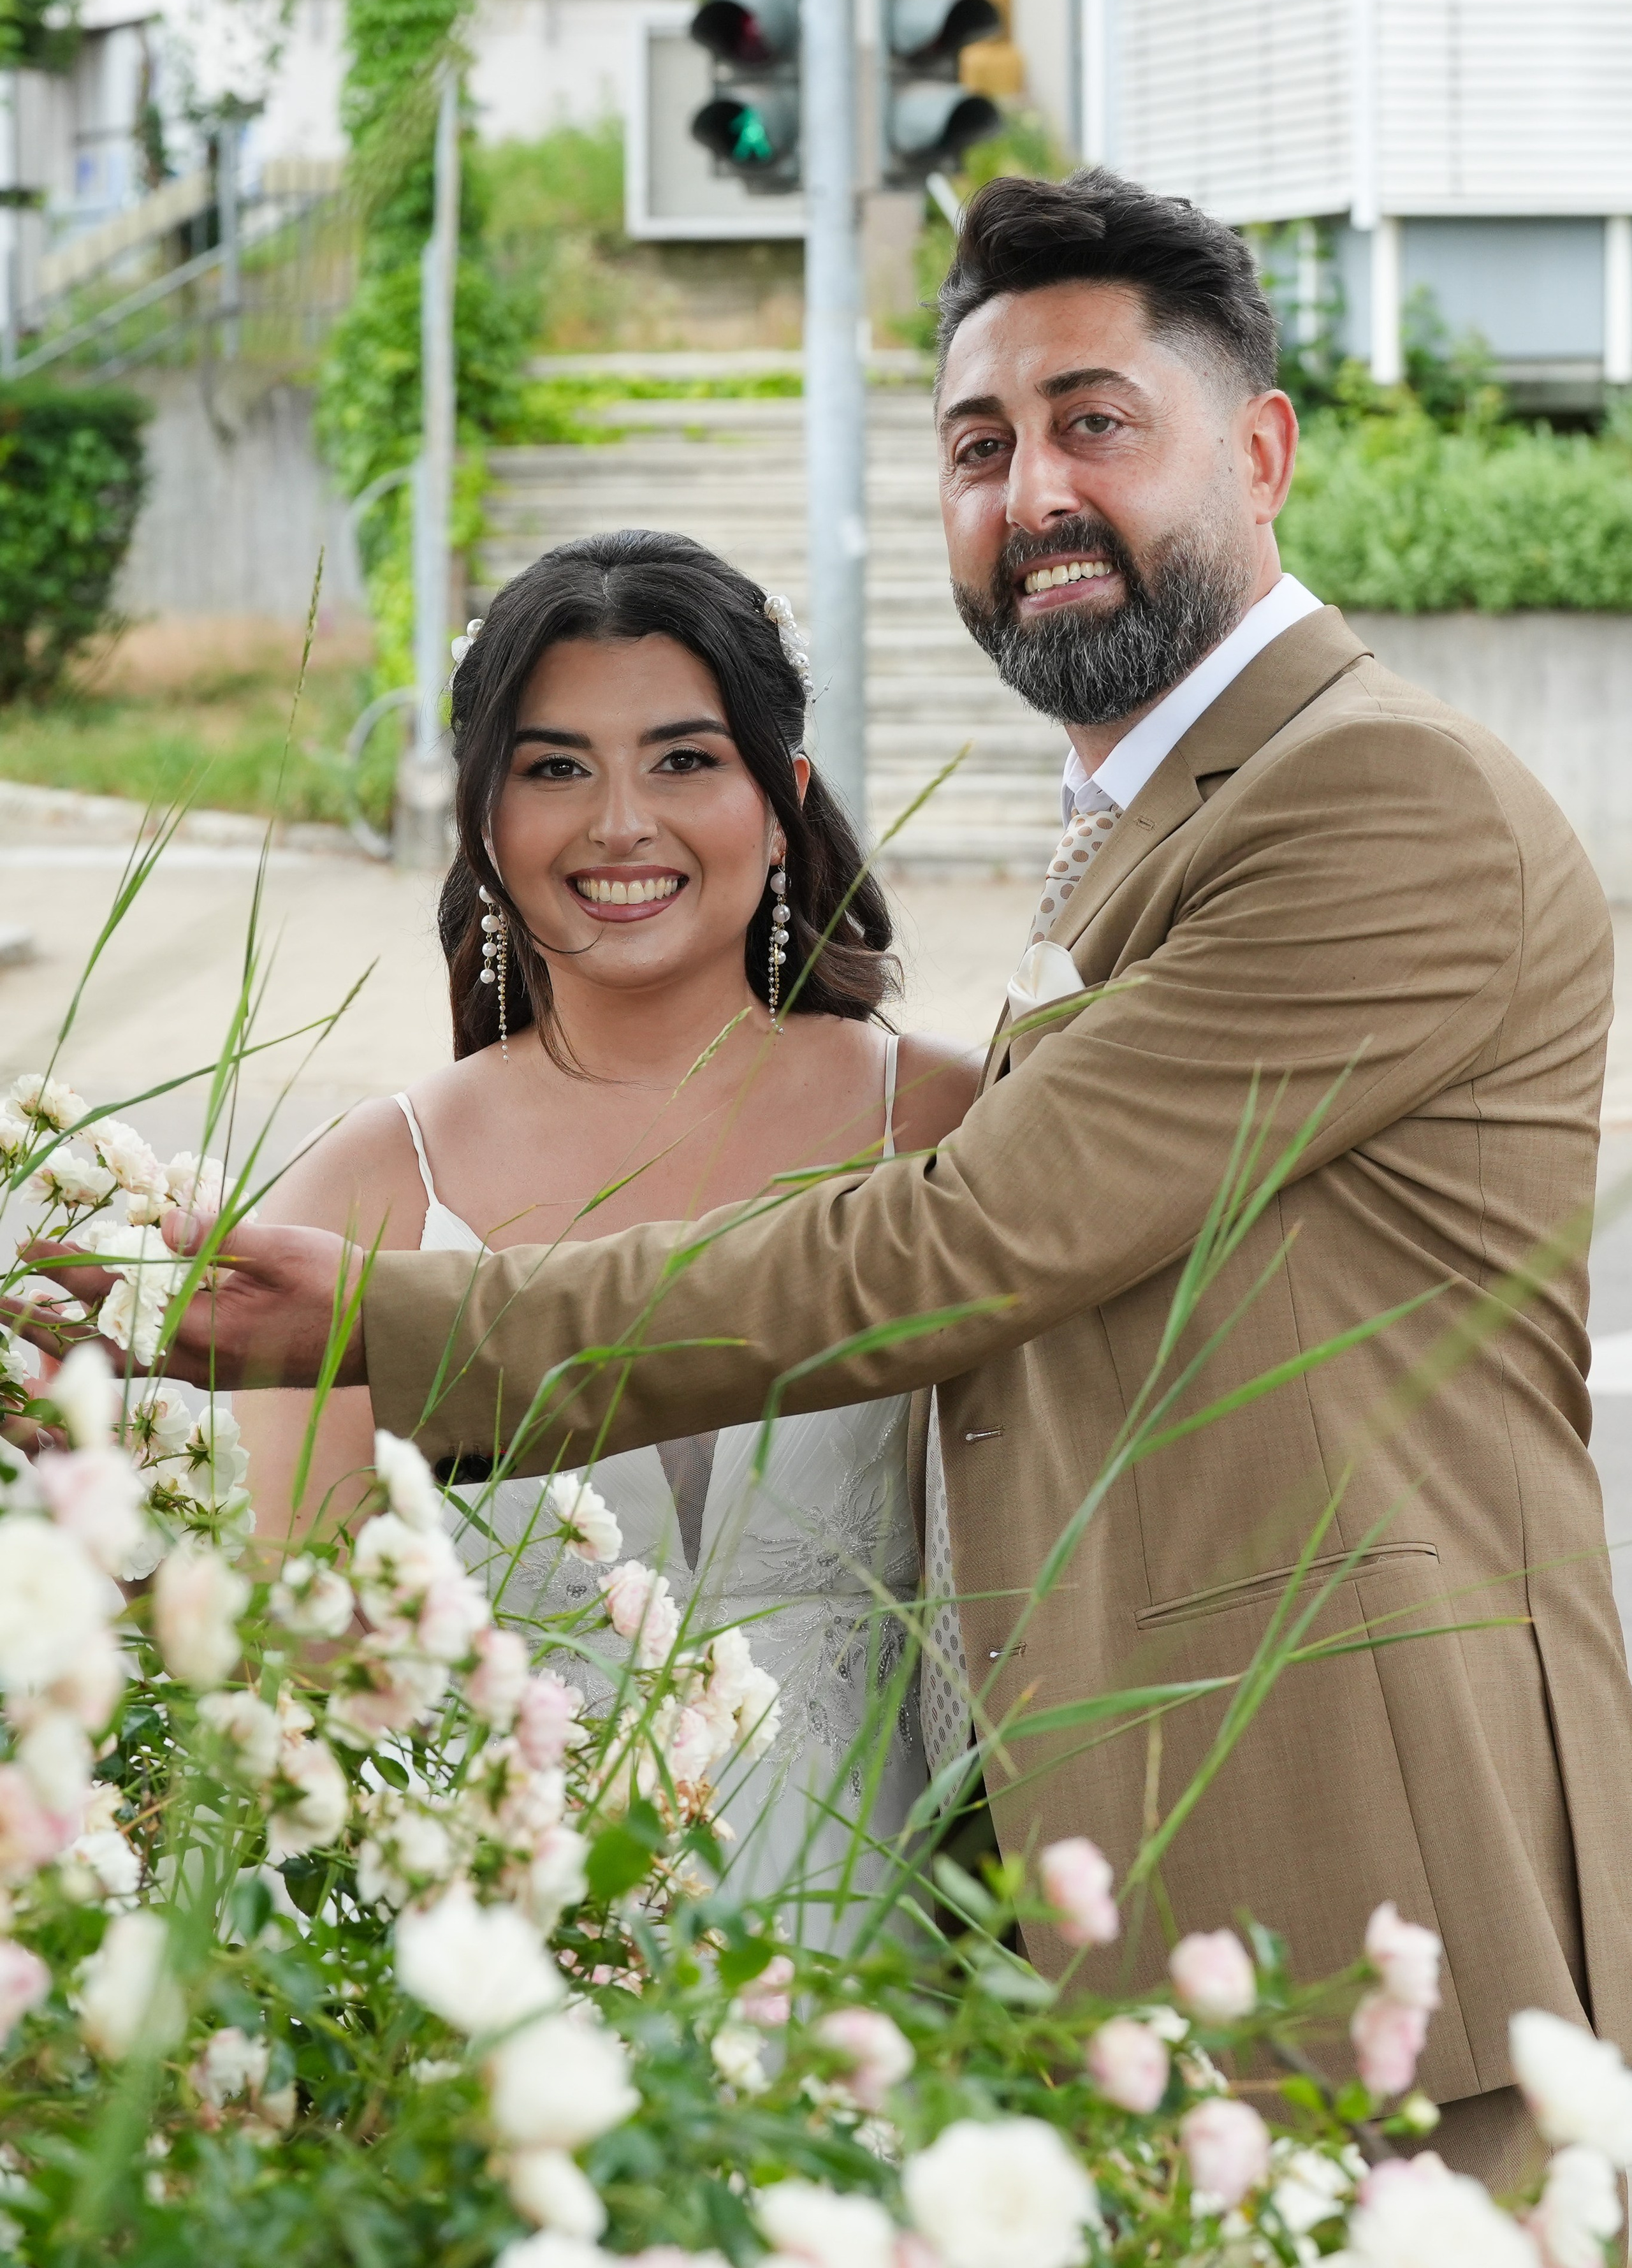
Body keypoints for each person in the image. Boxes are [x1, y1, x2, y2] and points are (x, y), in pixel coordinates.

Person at [47, 169, 1632, 2190]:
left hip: (1369, 1875)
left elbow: (967, 1246)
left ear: (1262, 449)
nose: (1032, 492)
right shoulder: (1147, 814)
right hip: (1055, 1930)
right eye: (980, 447)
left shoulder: (1371, 798)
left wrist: (368, 1323)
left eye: (1094, 424)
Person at [234, 529, 980, 1938]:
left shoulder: (953, 1125)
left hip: (907, 1959)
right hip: (505, 1973)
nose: (618, 822)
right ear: (480, 821)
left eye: (685, 761)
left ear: (783, 803)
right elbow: (310, 1678)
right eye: (553, 767)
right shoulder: (363, 1197)